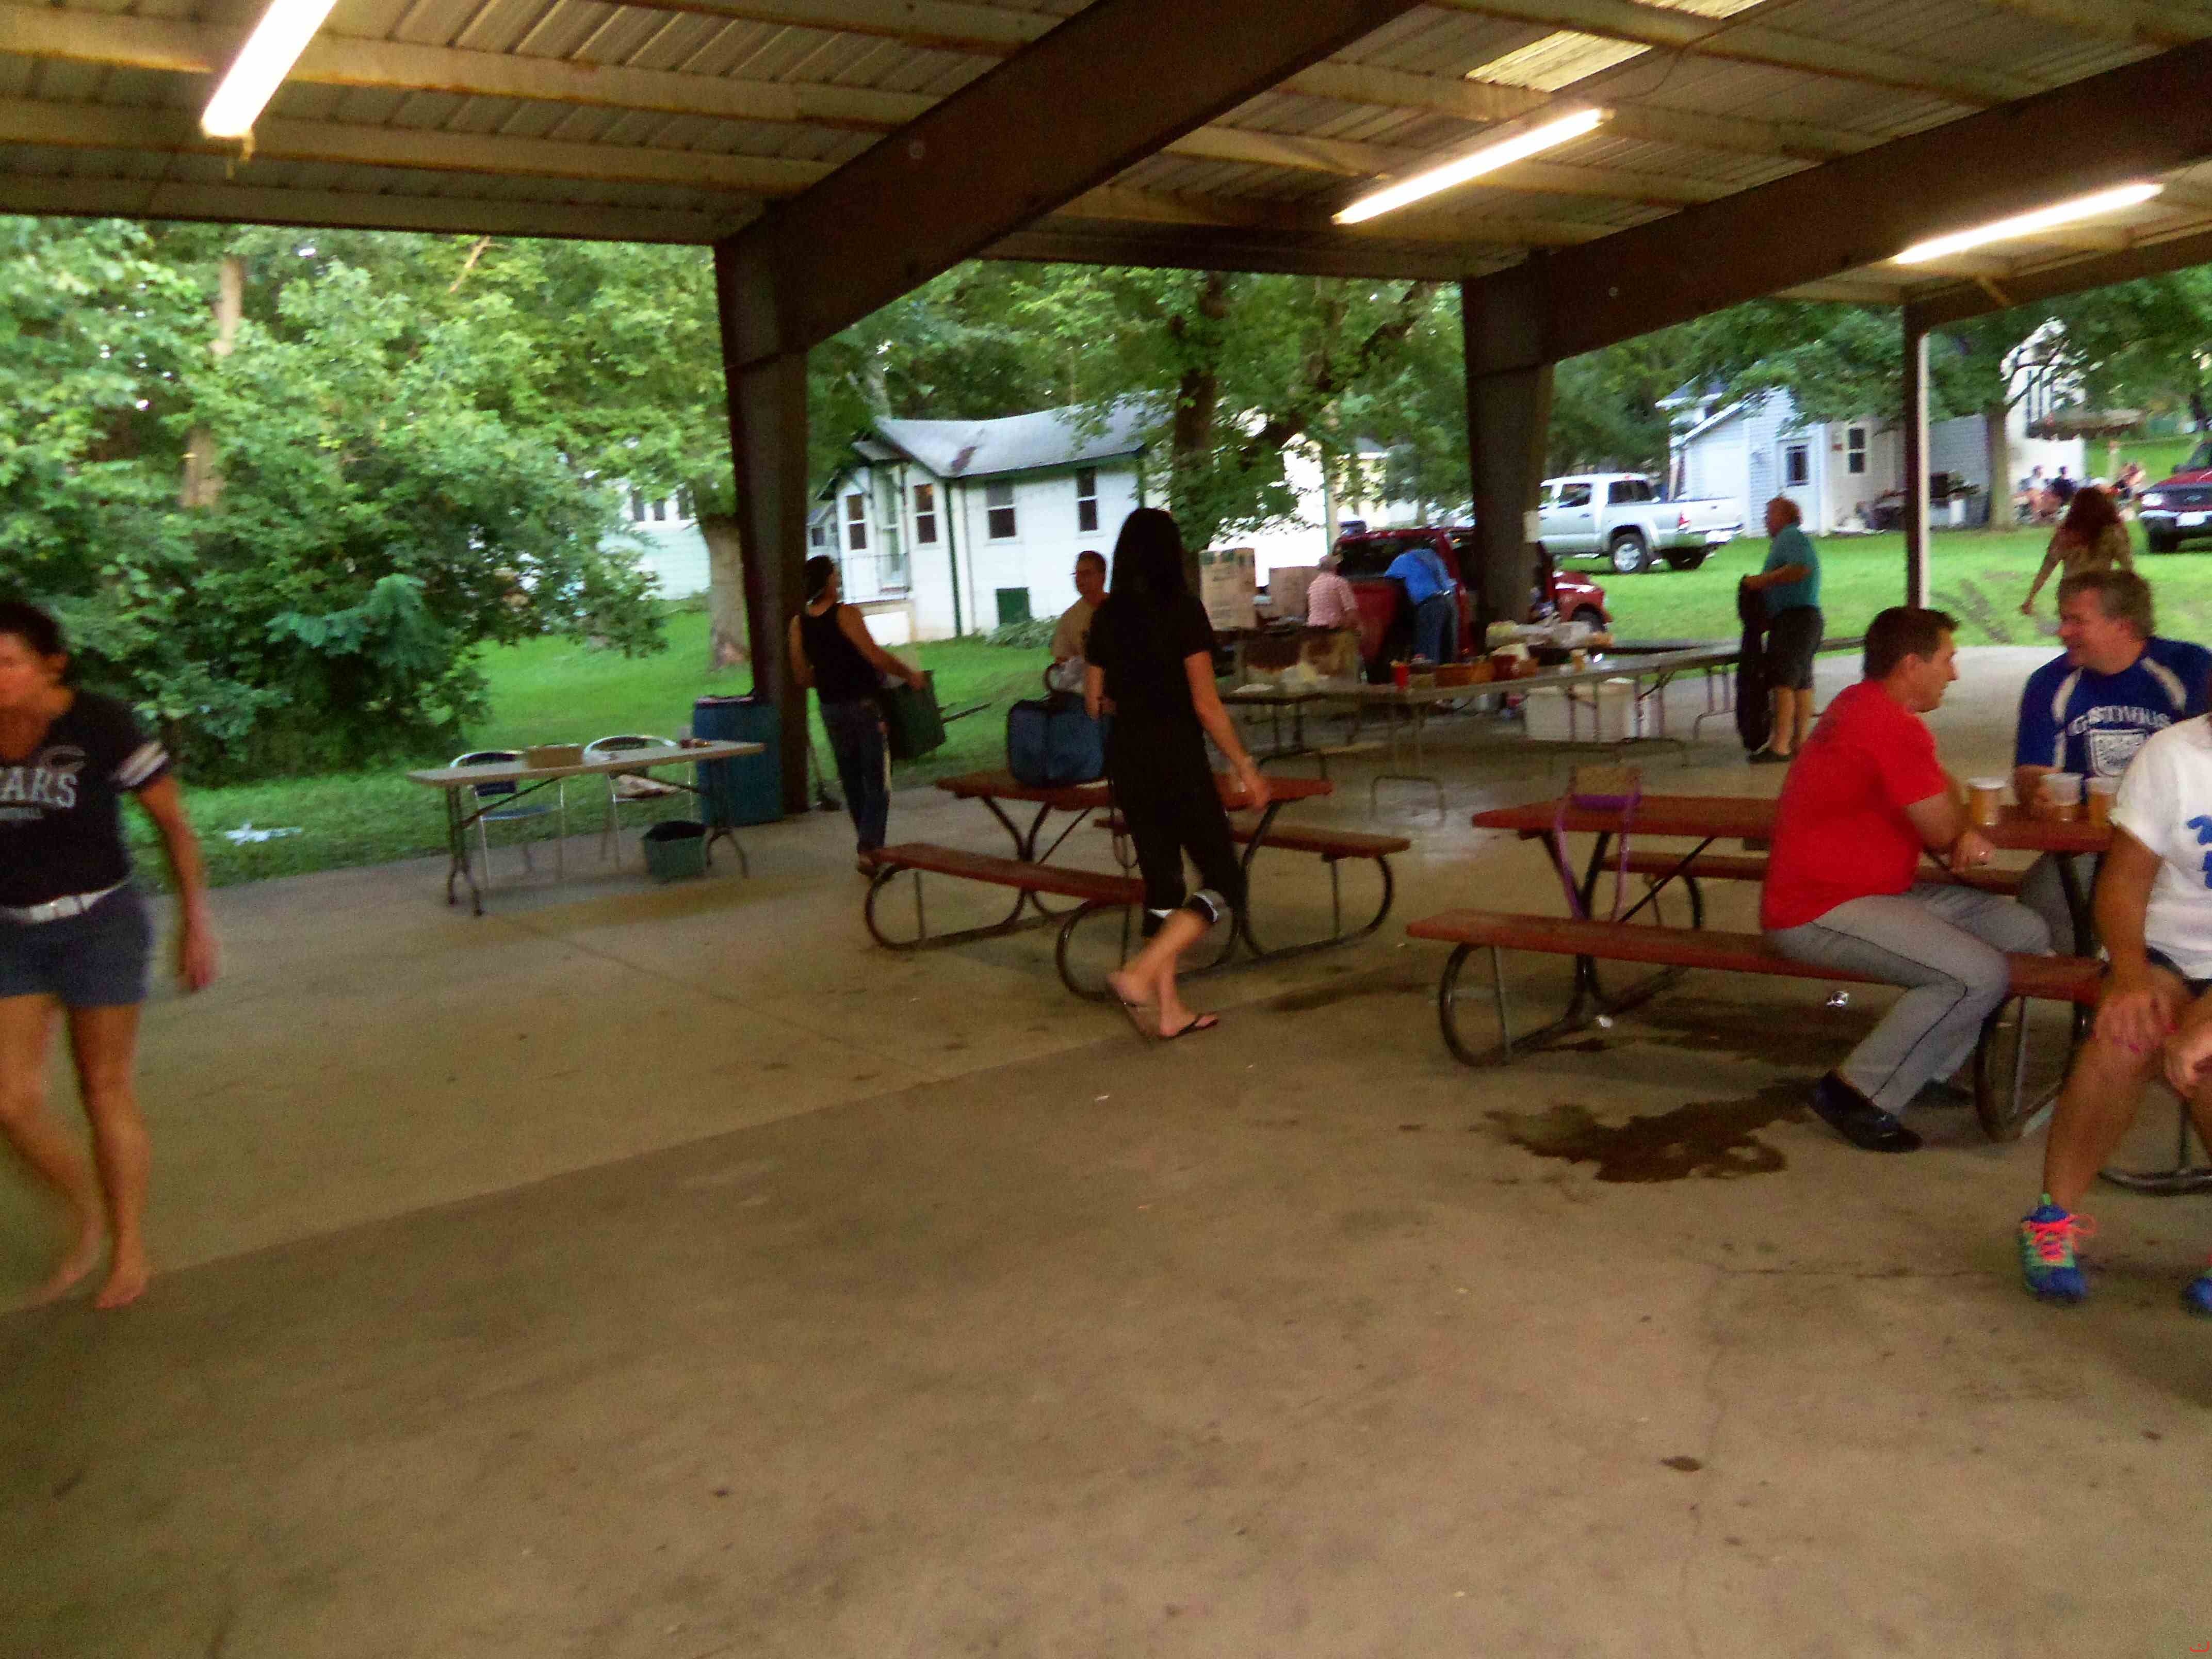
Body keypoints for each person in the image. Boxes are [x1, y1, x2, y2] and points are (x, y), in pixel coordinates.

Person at [1762, 607, 2051, 1153]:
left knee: (2021, 931)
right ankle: (1855, 1094)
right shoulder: (1885, 724)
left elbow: (1943, 797)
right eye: (1948, 660)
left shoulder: (1864, 704)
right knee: (1976, 974)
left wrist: (1957, 820)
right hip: (1816, 910)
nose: (1955, 673)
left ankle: (1922, 1068)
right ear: (1911, 665)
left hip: (1870, 894)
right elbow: (1943, 831)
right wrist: (1961, 827)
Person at [0, 601, 218, 1309]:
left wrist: (195, 923)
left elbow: (173, 825)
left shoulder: (100, 723)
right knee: (10, 1102)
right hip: (12, 932)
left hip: (100, 926)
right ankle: (86, 1208)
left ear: (51, 665)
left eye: (7, 663)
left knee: (104, 1088)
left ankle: (129, 1244)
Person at [2015, 712, 2212, 1315]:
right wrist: (2128, 976)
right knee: (2124, 1036)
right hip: (2164, 947)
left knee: (2207, 1064)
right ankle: (2051, 1220)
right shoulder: (2173, 753)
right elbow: (2124, 882)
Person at [1084, 509, 1268, 1041]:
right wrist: (1244, 765)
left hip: (1128, 760)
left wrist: (1130, 699)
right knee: (1226, 883)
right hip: (1177, 759)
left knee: (1163, 885)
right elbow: (1206, 704)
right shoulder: (1183, 611)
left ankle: (1169, 1011)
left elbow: (1093, 702)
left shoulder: (1107, 616)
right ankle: (1140, 974)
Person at [2011, 570, 2210, 951]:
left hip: (2177, 837)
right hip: (2093, 841)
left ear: (2124, 625)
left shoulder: (2189, 669)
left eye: (2076, 621)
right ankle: (2098, 975)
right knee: (2044, 905)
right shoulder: (2049, 683)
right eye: (2063, 619)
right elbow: (2031, 773)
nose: (2062, 632)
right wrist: (2038, 792)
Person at [788, 557, 926, 872]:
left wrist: (828, 677)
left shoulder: (798, 624)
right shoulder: (846, 614)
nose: (838, 581)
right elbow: (874, 655)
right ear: (827, 581)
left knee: (851, 779)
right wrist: (909, 674)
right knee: (877, 779)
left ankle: (867, 846)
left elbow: (801, 676)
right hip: (863, 706)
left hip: (830, 709)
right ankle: (869, 848)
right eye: (835, 575)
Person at [1741, 496, 1823, 764]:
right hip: (1805, 619)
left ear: (1784, 516)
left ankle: (1780, 745)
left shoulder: (1790, 537)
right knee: (1802, 682)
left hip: (1795, 619)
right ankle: (1801, 741)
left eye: (1769, 514)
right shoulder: (1792, 539)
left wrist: (1762, 581)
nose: (1765, 520)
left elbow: (1800, 569)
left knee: (1783, 682)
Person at [2020, 485, 2133, 615]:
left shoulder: (2065, 534)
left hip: (2070, 594)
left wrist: (2030, 598)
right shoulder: (2114, 533)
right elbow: (2127, 566)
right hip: (2099, 595)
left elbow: (2047, 567)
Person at [1384, 539, 1457, 663]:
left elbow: (1387, 581)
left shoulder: (1403, 559)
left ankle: (1429, 673)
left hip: (1428, 605)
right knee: (1445, 648)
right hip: (1447, 603)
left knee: (1427, 650)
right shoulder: (1433, 557)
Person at [1302, 551, 1362, 679]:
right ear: (1335, 567)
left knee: (1321, 672)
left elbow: (1309, 610)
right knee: (1343, 671)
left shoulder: (1313, 585)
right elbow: (1351, 612)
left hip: (1314, 634)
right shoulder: (1339, 582)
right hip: (1334, 633)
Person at [1051, 550, 1107, 667]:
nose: (1079, 579)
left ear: (1102, 576)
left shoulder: (1121, 609)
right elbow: (1061, 663)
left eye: (1086, 574)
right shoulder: (1069, 618)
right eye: (1076, 574)